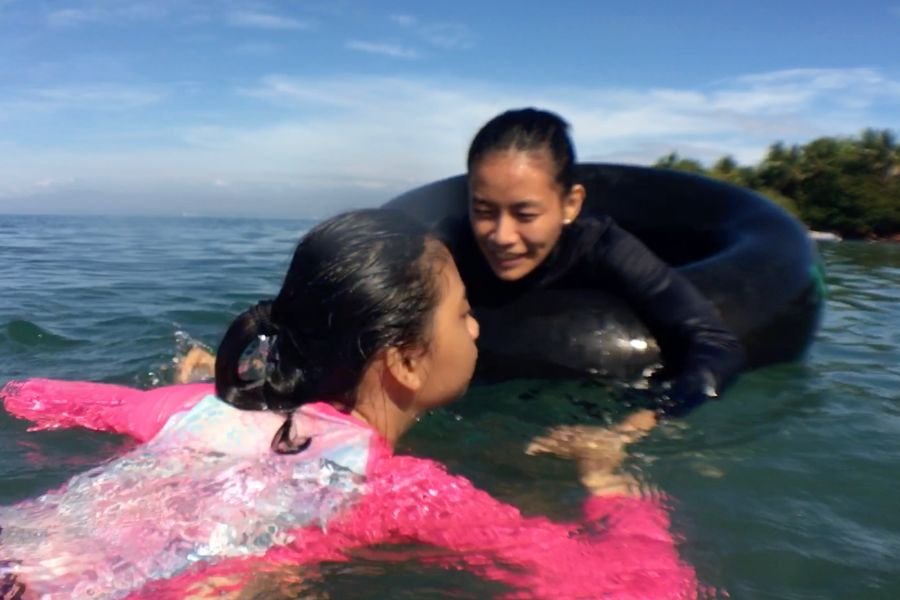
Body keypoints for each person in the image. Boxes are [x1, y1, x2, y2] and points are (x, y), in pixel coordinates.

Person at [1, 210, 698, 599]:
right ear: (403, 359)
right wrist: (611, 484)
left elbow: (33, 397)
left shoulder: (190, 406)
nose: (477, 327)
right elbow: (629, 588)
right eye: (462, 315)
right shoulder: (395, 491)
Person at [439, 107, 745, 420]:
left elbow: (716, 342)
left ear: (570, 204)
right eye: (484, 211)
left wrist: (647, 421)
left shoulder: (604, 247)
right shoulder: (451, 247)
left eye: (525, 215)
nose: (502, 236)